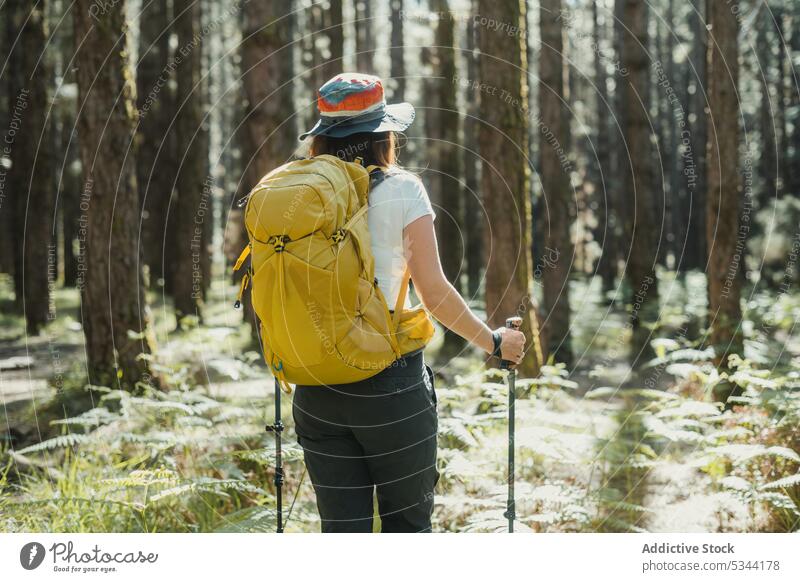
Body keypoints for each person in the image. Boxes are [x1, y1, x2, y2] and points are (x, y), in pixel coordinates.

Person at [291, 73, 526, 533]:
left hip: (315, 381)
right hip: (389, 382)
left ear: (322, 136)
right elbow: (433, 292)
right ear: (383, 134)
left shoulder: (296, 193)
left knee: (342, 537)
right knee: (408, 532)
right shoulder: (401, 189)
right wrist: (494, 342)